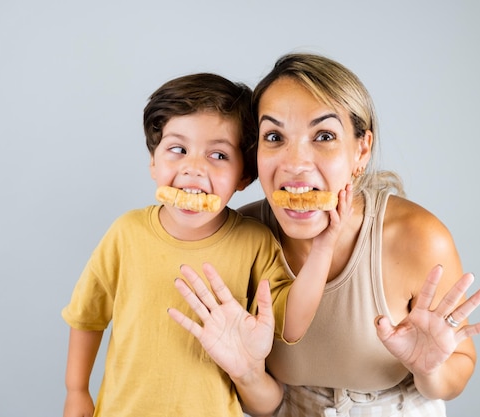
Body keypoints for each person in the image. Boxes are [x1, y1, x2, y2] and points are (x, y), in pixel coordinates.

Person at [169, 53, 480, 416]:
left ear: (361, 149)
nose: (295, 163)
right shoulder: (236, 241)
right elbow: (259, 403)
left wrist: (429, 368)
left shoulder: (417, 238)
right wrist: (245, 374)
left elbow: (457, 372)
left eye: (323, 136)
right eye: (274, 136)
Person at [61, 72, 351, 417]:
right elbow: (87, 316)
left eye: (218, 156)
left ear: (245, 175)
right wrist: (76, 390)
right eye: (178, 149)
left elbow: (291, 323)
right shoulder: (126, 233)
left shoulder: (254, 241)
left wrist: (323, 247)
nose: (194, 168)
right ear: (153, 162)